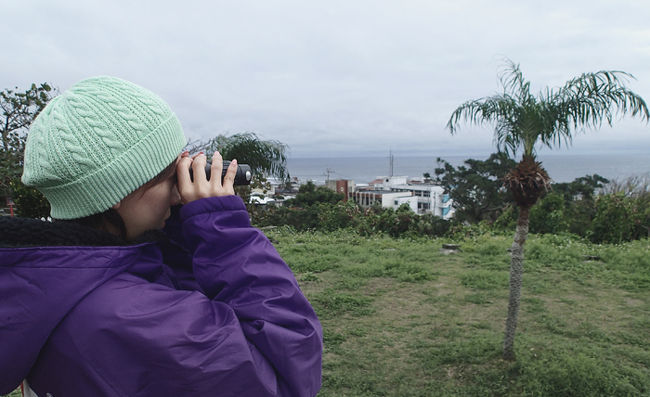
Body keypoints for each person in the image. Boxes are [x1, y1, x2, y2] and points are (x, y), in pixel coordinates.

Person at [0, 76, 323, 396]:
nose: (179, 192)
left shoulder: (51, 278)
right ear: (116, 191)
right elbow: (287, 373)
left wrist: (183, 225)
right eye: (171, 176)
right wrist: (225, 233)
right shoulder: (132, 318)